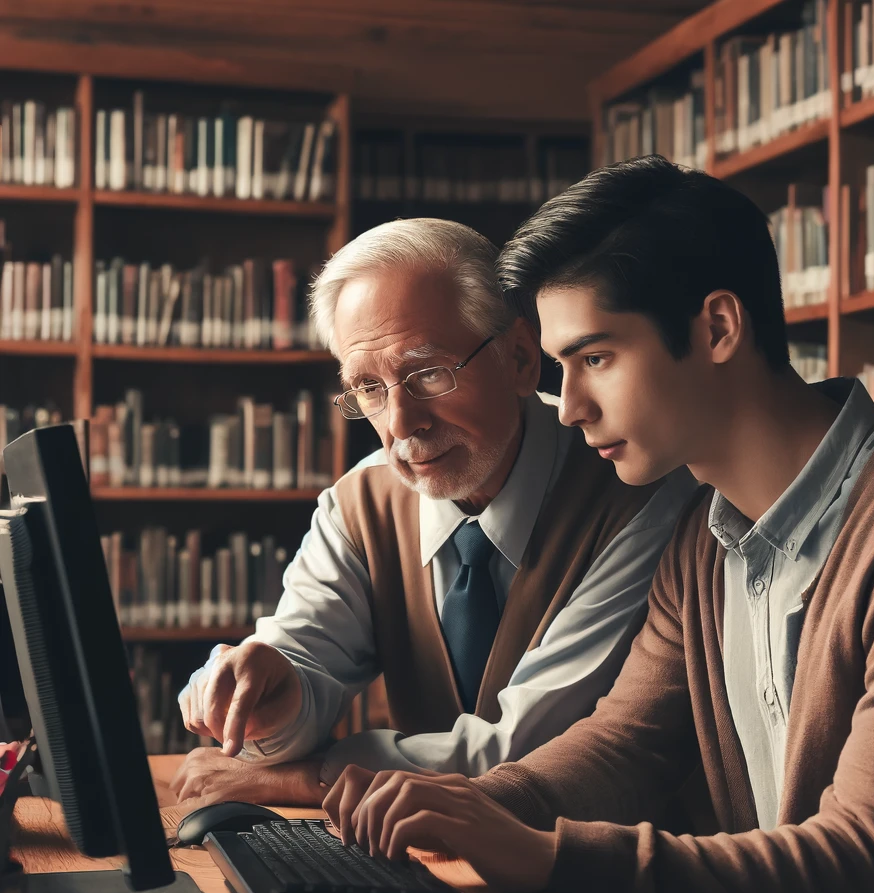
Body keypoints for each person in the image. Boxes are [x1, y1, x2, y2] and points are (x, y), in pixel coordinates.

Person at [322, 159, 874, 893]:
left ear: (719, 326)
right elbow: (625, 745)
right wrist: (470, 808)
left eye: (596, 359)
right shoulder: (704, 533)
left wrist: (542, 857)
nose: (568, 407)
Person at [172, 217, 694, 809]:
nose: (400, 425)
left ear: (521, 359)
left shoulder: (634, 491)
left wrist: (310, 779)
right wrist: (273, 698)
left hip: (599, 869)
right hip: (437, 859)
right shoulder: (360, 502)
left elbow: (531, 750)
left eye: (427, 374)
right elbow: (304, 662)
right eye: (368, 387)